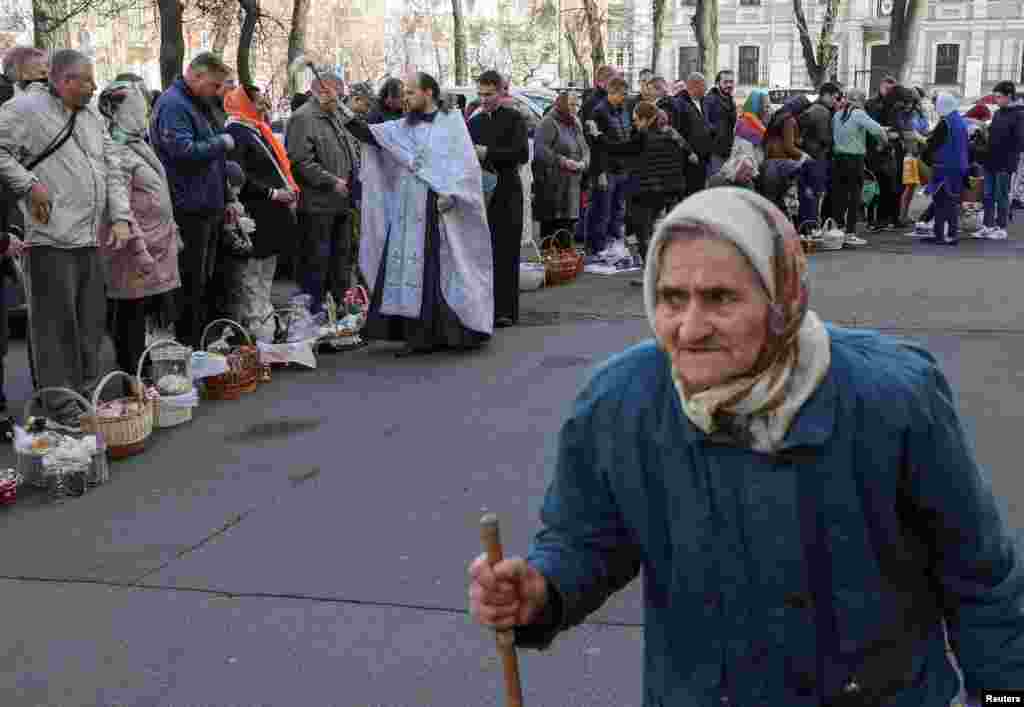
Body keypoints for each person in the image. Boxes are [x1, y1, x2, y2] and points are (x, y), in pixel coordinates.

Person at [469, 186, 1024, 706]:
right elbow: (586, 540)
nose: (688, 329)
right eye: (671, 298)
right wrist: (541, 589)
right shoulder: (621, 401)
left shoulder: (891, 397)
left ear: (782, 296)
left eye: (719, 298)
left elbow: (982, 578)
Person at [0, 49, 133, 428]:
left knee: (90, 325)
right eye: (87, 80)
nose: (94, 87)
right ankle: (62, 406)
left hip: (87, 238)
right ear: (62, 81)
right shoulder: (25, 109)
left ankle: (88, 395)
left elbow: (112, 165)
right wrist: (30, 186)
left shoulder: (91, 116)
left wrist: (120, 217)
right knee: (56, 331)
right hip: (49, 241)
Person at [341, 72, 493, 357]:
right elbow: (372, 136)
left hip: (438, 210)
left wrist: (453, 194)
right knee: (409, 270)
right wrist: (341, 109)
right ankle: (415, 332)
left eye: (411, 93)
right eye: (405, 93)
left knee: (436, 271)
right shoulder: (403, 126)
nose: (406, 99)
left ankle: (441, 331)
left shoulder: (452, 123)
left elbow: (465, 166)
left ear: (428, 93)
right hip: (407, 208)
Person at [97, 80, 181, 380]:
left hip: (158, 243)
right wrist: (140, 250)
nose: (144, 115)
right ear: (118, 113)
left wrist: (174, 232)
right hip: (135, 249)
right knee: (130, 316)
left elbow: (159, 193)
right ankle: (133, 379)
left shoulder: (138, 143)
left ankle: (150, 373)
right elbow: (120, 208)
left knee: (150, 315)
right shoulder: (115, 150)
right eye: (138, 109)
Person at [151, 51, 234, 348]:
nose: (217, 92)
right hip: (187, 206)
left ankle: (197, 342)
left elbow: (213, 160)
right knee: (189, 282)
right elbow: (183, 152)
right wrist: (219, 143)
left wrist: (227, 198)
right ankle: (187, 346)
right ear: (196, 75)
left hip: (205, 203)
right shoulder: (174, 104)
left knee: (202, 282)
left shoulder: (197, 103)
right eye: (214, 85)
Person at [222, 84, 298, 336]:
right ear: (243, 103)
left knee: (264, 278)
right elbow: (239, 178)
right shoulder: (235, 131)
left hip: (271, 217)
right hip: (257, 215)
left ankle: (264, 325)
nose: (265, 107)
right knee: (252, 280)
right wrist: (273, 193)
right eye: (259, 102)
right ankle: (257, 330)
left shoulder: (255, 129)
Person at [286, 72, 359, 315]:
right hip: (317, 205)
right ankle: (313, 314)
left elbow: (348, 148)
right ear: (324, 91)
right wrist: (330, 181)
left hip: (340, 203)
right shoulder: (303, 118)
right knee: (316, 264)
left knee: (340, 261)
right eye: (339, 94)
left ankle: (338, 310)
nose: (341, 100)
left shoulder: (334, 115)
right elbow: (299, 161)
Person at [468, 70, 529, 328]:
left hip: (507, 191)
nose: (484, 99)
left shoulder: (514, 118)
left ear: (501, 92)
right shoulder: (474, 122)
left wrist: (487, 153)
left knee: (506, 253)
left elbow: (521, 154)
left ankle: (506, 310)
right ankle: (484, 308)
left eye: (489, 94)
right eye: (480, 94)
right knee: (483, 253)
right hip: (481, 193)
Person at [626, 103, 686, 261]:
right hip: (664, 190)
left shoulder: (645, 138)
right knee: (652, 231)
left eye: (636, 119)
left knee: (644, 233)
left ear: (646, 120)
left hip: (647, 191)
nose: (634, 123)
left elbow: (628, 156)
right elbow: (679, 161)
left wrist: (597, 136)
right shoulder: (671, 136)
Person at [583, 76, 634, 258]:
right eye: (623, 94)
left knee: (618, 211)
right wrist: (600, 172)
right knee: (602, 210)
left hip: (621, 168)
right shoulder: (599, 112)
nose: (625, 97)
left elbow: (625, 136)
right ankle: (598, 247)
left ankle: (614, 245)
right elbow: (596, 146)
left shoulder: (624, 110)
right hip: (606, 170)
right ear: (612, 92)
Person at [533, 92, 589, 248]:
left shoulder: (575, 123)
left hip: (572, 184)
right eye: (571, 104)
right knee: (552, 230)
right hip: (553, 185)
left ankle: (564, 262)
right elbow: (541, 150)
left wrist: (584, 163)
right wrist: (563, 161)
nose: (575, 108)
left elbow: (584, 147)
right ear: (561, 104)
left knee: (568, 228)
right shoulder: (548, 122)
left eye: (577, 105)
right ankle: (552, 264)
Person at [831, 88, 887, 243]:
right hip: (854, 159)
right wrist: (883, 144)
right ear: (860, 101)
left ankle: (837, 231)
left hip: (838, 159)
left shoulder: (837, 115)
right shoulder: (858, 114)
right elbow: (878, 130)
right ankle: (850, 233)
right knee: (854, 196)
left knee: (839, 196)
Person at [921, 93, 969, 246]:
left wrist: (922, 146)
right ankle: (949, 234)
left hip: (943, 166)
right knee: (951, 202)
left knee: (941, 202)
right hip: (958, 167)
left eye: (937, 104)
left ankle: (942, 235)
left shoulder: (945, 122)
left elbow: (933, 144)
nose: (935, 108)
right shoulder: (960, 121)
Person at [978, 81, 1023, 240]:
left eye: (999, 97)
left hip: (1005, 161)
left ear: (1009, 96)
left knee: (1001, 195)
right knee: (988, 194)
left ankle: (1001, 228)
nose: (996, 100)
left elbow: (1019, 141)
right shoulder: (998, 113)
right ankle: (987, 226)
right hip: (991, 160)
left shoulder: (1019, 114)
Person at [708, 87, 769, 191]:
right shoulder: (746, 124)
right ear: (757, 106)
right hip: (743, 175)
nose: (768, 109)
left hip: (750, 173)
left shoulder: (757, 123)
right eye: (766, 106)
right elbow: (746, 156)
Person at [796, 82, 840, 228]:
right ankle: (812, 227)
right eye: (834, 98)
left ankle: (806, 226)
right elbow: (825, 138)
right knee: (814, 194)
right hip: (817, 157)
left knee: (806, 194)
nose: (835, 101)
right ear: (825, 95)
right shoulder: (822, 111)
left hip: (805, 156)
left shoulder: (812, 108)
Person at [673, 72, 712, 197]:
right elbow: (677, 132)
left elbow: (702, 124)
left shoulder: (703, 102)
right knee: (690, 194)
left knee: (699, 192)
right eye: (704, 86)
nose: (706, 90)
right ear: (695, 86)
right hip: (689, 159)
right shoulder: (680, 103)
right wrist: (688, 152)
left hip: (703, 157)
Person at [702, 70, 737, 177]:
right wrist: (716, 132)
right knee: (716, 183)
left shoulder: (730, 100)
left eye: (731, 82)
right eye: (725, 82)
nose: (729, 85)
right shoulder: (710, 99)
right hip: (714, 151)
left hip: (728, 150)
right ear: (718, 83)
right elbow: (704, 122)